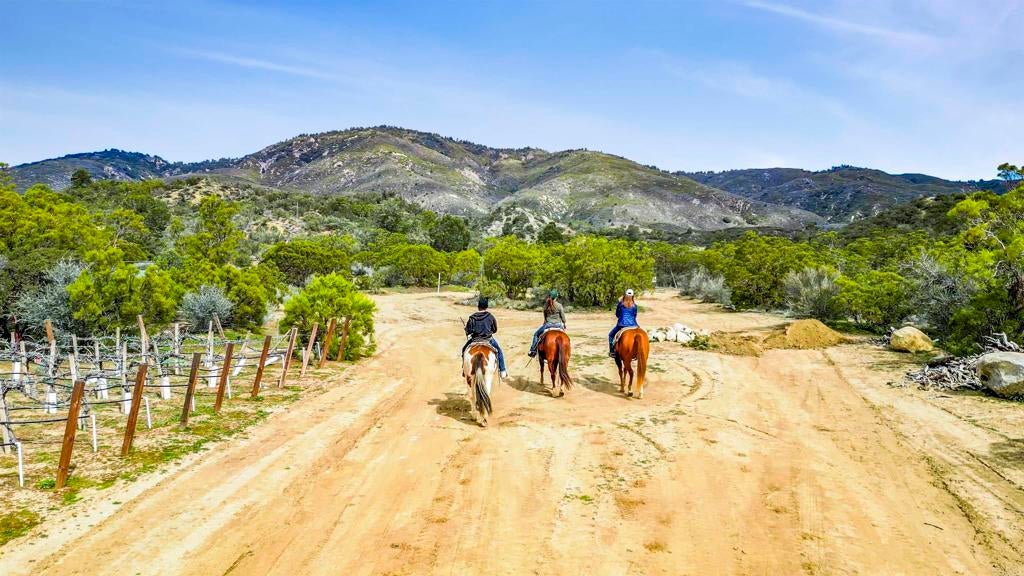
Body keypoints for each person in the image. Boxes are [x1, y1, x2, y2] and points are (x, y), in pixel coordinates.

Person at [463, 297, 508, 379]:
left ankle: (464, 370)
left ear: (478, 306)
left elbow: (468, 331)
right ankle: (502, 371)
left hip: (474, 340)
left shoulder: (472, 317)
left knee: (464, 350)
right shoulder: (490, 316)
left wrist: (466, 330)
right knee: (499, 351)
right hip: (488, 340)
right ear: (486, 306)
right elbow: (494, 330)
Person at [527, 289, 566, 357]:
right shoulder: (559, 305)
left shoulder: (546, 305)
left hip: (548, 325)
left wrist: (545, 322)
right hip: (558, 325)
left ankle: (533, 351)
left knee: (536, 334)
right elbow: (563, 317)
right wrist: (564, 323)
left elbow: (545, 317)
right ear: (556, 297)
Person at [609, 288, 639, 357]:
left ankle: (612, 351)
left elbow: (617, 314)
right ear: (633, 296)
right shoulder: (635, 305)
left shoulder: (621, 304)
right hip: (634, 325)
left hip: (622, 324)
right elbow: (635, 316)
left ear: (625, 295)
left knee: (610, 335)